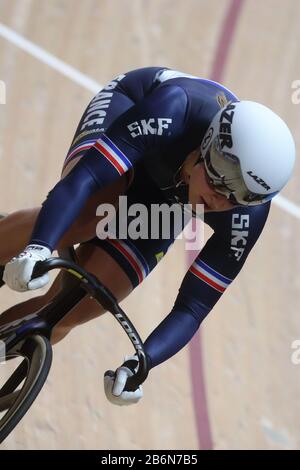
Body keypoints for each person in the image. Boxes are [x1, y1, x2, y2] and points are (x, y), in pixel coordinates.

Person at [0, 67, 296, 406]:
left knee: (84, 302)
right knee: (90, 216)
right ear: (208, 145)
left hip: (170, 195)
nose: (220, 201)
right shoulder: (175, 109)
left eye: (239, 197)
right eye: (221, 180)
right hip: (133, 112)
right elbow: (84, 180)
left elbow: (194, 306)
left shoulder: (247, 214)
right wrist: (40, 247)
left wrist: (143, 362)